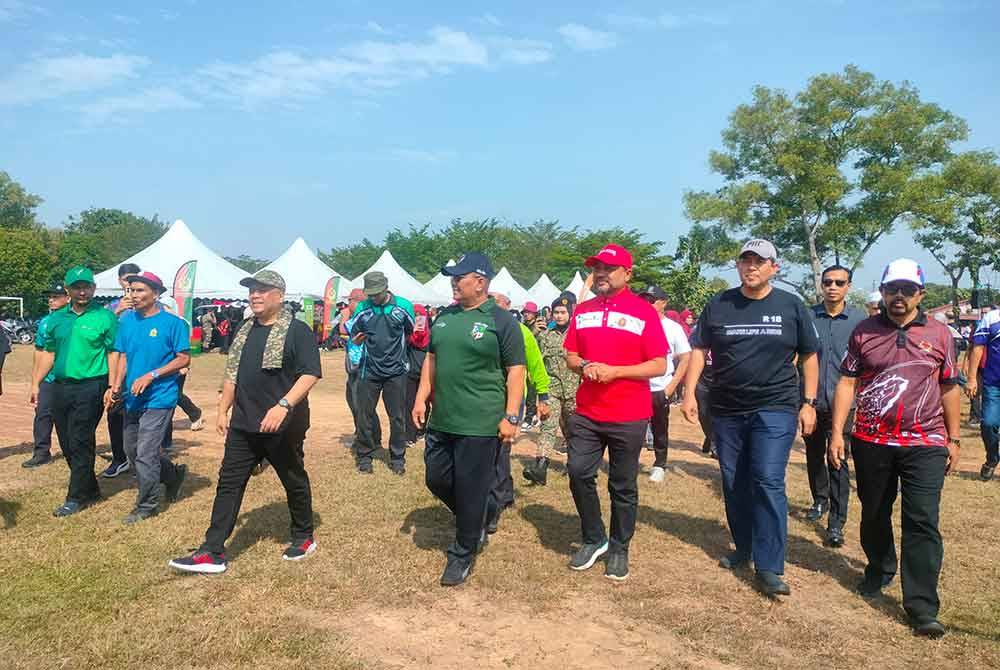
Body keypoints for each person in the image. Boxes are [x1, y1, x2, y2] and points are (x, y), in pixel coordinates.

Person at [829, 258, 960, 638]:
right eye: (891, 289)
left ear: (921, 293)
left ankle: (922, 606)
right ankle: (880, 568)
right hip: (871, 440)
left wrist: (953, 439)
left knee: (922, 520)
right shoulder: (863, 332)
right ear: (882, 292)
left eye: (907, 289)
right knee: (874, 512)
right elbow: (846, 383)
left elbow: (949, 386)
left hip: (925, 441)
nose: (898, 296)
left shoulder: (940, 334)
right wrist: (838, 432)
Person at [682, 239, 819, 597]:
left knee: (768, 480)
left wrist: (808, 402)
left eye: (759, 261)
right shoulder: (720, 303)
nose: (751, 267)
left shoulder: (791, 306)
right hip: (726, 408)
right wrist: (689, 392)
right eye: (745, 261)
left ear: (775, 267)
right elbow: (699, 349)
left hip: (775, 406)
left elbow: (809, 356)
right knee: (733, 481)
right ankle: (743, 548)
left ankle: (770, 566)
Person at [170, 270, 322, 574]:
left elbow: (310, 373)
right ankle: (212, 551)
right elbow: (232, 374)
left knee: (292, 477)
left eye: (263, 290)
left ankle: (304, 535)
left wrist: (282, 406)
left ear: (279, 295)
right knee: (229, 482)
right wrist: (222, 409)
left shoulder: (297, 331)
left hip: (283, 423)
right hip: (244, 421)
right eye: (252, 290)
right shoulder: (244, 329)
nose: (255, 295)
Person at [412, 253, 525, 586]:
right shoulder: (445, 317)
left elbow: (516, 372)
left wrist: (511, 415)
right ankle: (480, 514)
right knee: (437, 478)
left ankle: (463, 551)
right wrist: (421, 396)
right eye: (452, 277)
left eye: (459, 277)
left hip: (481, 422)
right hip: (443, 418)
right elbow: (431, 360)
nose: (453, 283)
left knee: (472, 486)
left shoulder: (501, 321)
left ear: (480, 281)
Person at [563, 244, 668, 581]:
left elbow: (659, 364)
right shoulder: (583, 310)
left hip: (629, 414)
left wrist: (616, 372)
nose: (602, 274)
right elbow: (570, 356)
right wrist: (587, 366)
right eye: (597, 268)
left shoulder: (644, 312)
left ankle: (620, 547)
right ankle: (595, 538)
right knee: (578, 472)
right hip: (588, 412)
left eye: (609, 268)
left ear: (627, 273)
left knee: (622, 486)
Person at [31, 267, 119, 517]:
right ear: (67, 290)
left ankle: (76, 497)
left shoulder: (105, 317)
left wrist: (113, 385)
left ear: (93, 288)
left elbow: (114, 353)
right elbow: (48, 353)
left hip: (92, 385)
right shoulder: (56, 320)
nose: (83, 291)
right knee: (67, 441)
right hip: (60, 386)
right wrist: (35, 383)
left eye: (87, 286)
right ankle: (89, 488)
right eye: (77, 287)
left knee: (80, 438)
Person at [107, 272, 189, 524]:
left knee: (145, 452)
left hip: (160, 397)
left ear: (156, 294)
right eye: (131, 290)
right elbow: (122, 356)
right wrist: (115, 387)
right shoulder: (127, 321)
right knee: (132, 451)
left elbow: (183, 358)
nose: (133, 295)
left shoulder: (173, 324)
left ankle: (147, 505)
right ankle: (172, 475)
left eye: (140, 290)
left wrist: (152, 375)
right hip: (132, 398)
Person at [802, 265, 865, 549]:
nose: (833, 287)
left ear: (848, 286)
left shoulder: (860, 321)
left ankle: (837, 522)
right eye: (828, 282)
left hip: (845, 404)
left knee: (837, 459)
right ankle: (819, 500)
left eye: (839, 282)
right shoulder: (807, 317)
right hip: (812, 401)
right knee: (814, 454)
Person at [487, 293, 549, 532]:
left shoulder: (521, 332)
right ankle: (506, 492)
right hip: (484, 397)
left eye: (499, 303)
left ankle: (497, 501)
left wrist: (543, 395)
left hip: (512, 398)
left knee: (501, 448)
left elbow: (535, 365)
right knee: (489, 448)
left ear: (508, 307)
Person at [348, 271, 415, 475]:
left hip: (396, 371)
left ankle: (397, 458)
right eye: (370, 294)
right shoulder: (362, 307)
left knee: (397, 416)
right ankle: (365, 456)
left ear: (386, 288)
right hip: (369, 371)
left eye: (377, 293)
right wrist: (357, 339)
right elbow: (354, 333)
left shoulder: (403, 306)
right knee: (364, 415)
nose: (374, 297)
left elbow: (410, 332)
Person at [526, 292, 580, 485]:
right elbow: (533, 357)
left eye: (563, 312)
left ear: (570, 314)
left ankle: (576, 465)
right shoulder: (545, 336)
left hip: (575, 391)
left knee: (573, 430)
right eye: (556, 312)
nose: (558, 316)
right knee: (548, 426)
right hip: (553, 389)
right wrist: (533, 333)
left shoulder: (578, 333)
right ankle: (540, 467)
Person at [638, 285, 691, 483]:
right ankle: (629, 461)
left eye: (652, 300)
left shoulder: (673, 328)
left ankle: (660, 464)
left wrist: (672, 385)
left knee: (660, 427)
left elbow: (686, 358)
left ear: (663, 303)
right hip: (636, 386)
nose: (647, 304)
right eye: (644, 300)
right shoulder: (635, 324)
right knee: (633, 427)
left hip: (660, 387)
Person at [23, 282, 70, 468]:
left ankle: (71, 450)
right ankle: (41, 452)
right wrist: (35, 380)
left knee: (67, 417)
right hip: (48, 379)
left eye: (56, 296)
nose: (51, 300)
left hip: (68, 377)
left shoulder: (74, 319)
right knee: (42, 414)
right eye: (50, 297)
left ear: (67, 298)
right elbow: (40, 352)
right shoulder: (44, 322)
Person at [101, 262, 141, 478]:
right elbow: (103, 332)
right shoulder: (110, 307)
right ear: (120, 281)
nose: (131, 283)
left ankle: (139, 459)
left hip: (140, 368)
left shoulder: (150, 303)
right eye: (127, 279)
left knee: (139, 416)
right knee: (114, 413)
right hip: (116, 369)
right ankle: (119, 458)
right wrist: (117, 312)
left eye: (135, 279)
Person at [966, 304, 1000, 481]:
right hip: (993, 384)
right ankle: (992, 458)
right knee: (988, 423)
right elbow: (977, 348)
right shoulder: (992, 318)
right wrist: (972, 378)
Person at [404, 303, 431, 445]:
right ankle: (412, 434)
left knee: (421, 403)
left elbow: (419, 337)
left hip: (421, 372)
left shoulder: (425, 334)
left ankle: (418, 432)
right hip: (413, 371)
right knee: (411, 403)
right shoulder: (411, 332)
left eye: (419, 315)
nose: (417, 317)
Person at [520, 301, 542, 428]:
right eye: (525, 312)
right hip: (525, 363)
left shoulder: (539, 326)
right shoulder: (522, 326)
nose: (527, 314)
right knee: (528, 391)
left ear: (535, 314)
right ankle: (531, 416)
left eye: (529, 312)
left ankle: (530, 418)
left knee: (535, 391)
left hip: (537, 362)